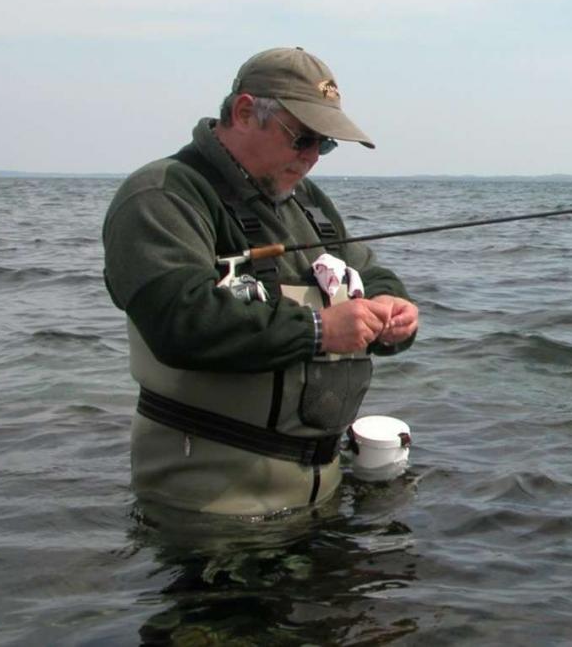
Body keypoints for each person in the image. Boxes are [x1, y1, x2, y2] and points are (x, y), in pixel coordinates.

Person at [103, 47, 420, 515]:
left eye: (325, 144)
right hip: (211, 508)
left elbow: (367, 270)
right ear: (245, 112)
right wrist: (320, 330)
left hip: (320, 493)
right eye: (303, 139)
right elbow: (179, 321)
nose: (313, 157)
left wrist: (393, 307)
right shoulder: (162, 195)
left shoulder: (306, 200)